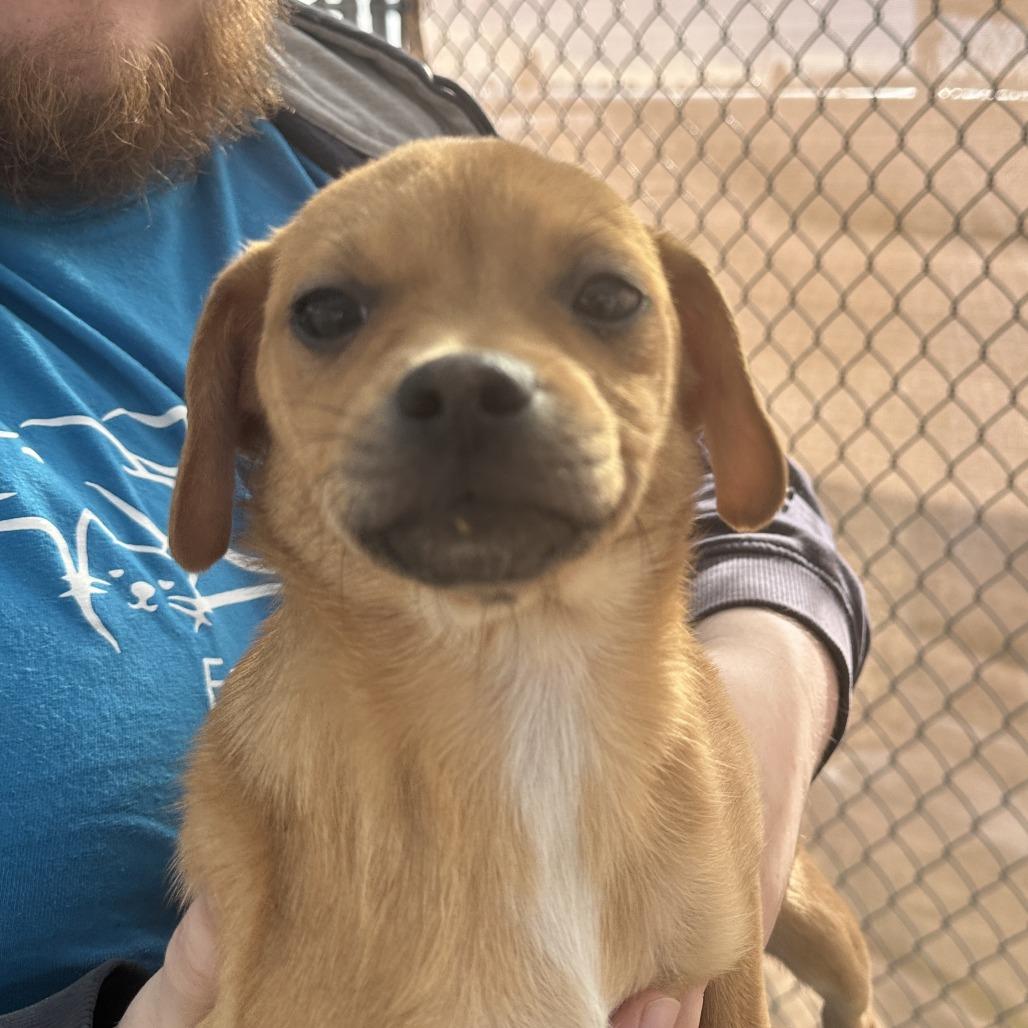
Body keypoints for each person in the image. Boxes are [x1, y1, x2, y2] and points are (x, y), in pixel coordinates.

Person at [0, 2, 869, 1026]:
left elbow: (732, 493)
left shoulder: (365, 110)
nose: (468, 375)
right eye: (331, 316)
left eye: (597, 299)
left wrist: (753, 692)